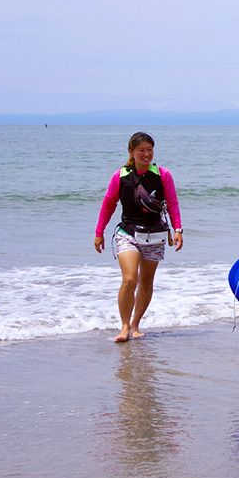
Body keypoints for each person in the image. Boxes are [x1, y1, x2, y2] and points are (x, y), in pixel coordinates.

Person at [94, 132, 183, 343]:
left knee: (146, 281)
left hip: (155, 235)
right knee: (130, 278)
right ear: (131, 152)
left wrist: (178, 229)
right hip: (127, 233)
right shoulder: (121, 176)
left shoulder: (163, 175)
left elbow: (172, 203)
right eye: (141, 150)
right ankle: (124, 326)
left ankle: (135, 325)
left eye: (149, 149)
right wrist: (99, 232)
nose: (146, 154)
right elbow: (108, 204)